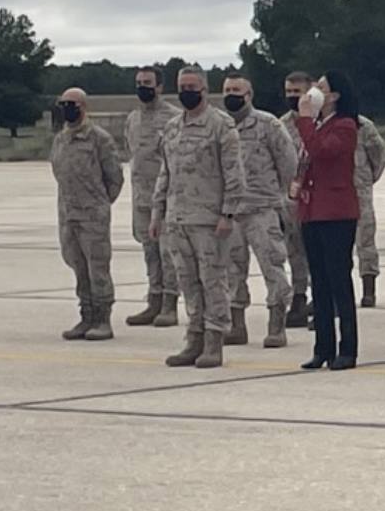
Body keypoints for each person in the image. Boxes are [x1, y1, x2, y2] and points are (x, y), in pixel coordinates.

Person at [152, 66, 245, 369]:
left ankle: (214, 340)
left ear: (204, 89)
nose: (186, 91)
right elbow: (165, 173)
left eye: (192, 86)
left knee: (213, 281)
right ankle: (194, 338)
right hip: (178, 219)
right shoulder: (172, 127)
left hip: (209, 220)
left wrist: (228, 213)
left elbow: (234, 174)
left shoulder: (221, 125)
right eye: (182, 86)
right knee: (188, 281)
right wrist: (158, 213)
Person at [221, 72, 297, 349]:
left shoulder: (269, 125)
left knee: (272, 266)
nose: (231, 94)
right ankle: (236, 325)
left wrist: (283, 200)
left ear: (249, 95)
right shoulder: (220, 126)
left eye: (237, 90)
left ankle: (277, 324)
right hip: (231, 211)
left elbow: (288, 163)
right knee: (231, 271)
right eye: (227, 89)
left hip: (262, 208)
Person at [294, 71, 362, 370]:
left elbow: (322, 151)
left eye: (320, 88)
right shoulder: (319, 125)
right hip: (312, 210)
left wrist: (305, 120)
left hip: (336, 212)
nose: (312, 93)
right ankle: (323, 347)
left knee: (338, 281)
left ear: (333, 96)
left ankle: (348, 348)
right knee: (318, 282)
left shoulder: (345, 126)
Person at [51, 87, 124, 342]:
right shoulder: (61, 139)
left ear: (84, 107)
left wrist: (100, 204)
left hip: (92, 216)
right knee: (78, 266)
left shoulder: (98, 138)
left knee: (98, 268)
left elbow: (114, 177)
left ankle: (103, 319)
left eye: (73, 104)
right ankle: (86, 315)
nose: (68, 109)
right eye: (64, 104)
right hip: (68, 214)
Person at [124, 66, 181, 327]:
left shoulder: (173, 119)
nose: (142, 87)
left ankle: (170, 304)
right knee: (150, 252)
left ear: (159, 87)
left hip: (166, 199)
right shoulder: (133, 119)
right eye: (138, 82)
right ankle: (153, 299)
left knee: (168, 253)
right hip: (141, 198)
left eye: (148, 82)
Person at [277, 72, 314, 328]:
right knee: (295, 252)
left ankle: (327, 300)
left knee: (320, 253)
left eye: (297, 92)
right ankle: (299, 297)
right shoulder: (280, 125)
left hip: (320, 198)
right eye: (288, 92)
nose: (292, 97)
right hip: (292, 200)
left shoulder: (322, 120)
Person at [354, 109, 385, 307]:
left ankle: (369, 289)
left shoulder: (363, 126)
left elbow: (379, 156)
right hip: (331, 193)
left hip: (359, 192)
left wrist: (366, 180)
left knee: (365, 241)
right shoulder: (321, 122)